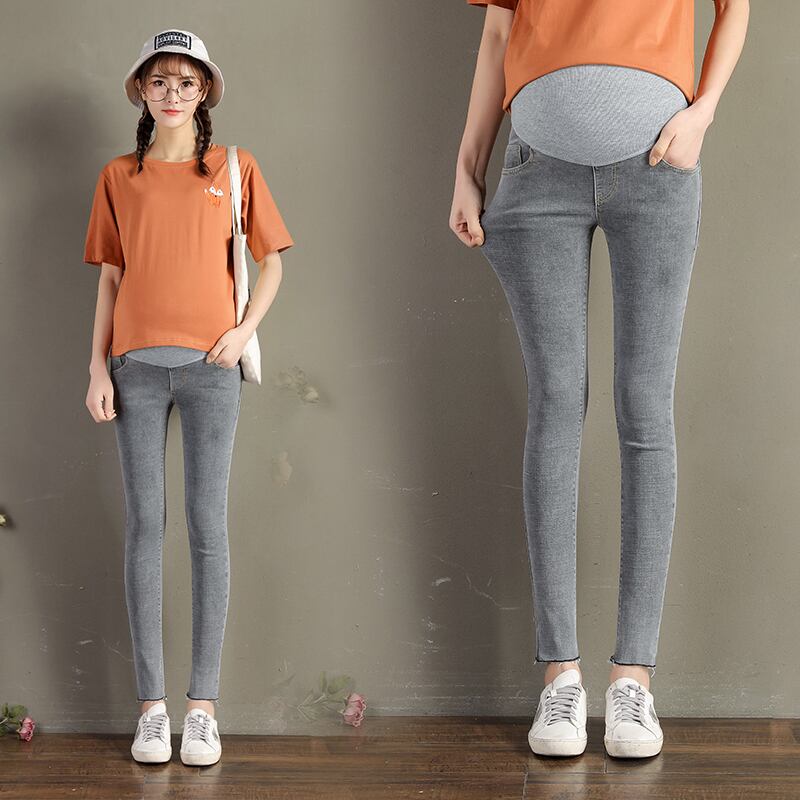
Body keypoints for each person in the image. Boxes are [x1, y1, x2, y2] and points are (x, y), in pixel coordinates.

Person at [451, 0, 749, 758]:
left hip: (659, 167)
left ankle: (633, 681)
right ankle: (560, 677)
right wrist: (467, 168)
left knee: (645, 412)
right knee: (555, 405)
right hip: (536, 176)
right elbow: (496, 35)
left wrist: (704, 114)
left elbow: (736, 8)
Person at [82, 28, 294, 766]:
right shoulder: (118, 176)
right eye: (159, 81)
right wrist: (97, 368)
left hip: (211, 369)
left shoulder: (234, 168)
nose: (172, 93)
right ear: (142, 91)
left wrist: (241, 334)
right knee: (146, 527)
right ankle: (152, 709)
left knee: (208, 528)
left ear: (204, 93)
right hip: (134, 369)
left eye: (186, 82)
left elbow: (272, 263)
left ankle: (202, 708)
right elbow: (111, 277)